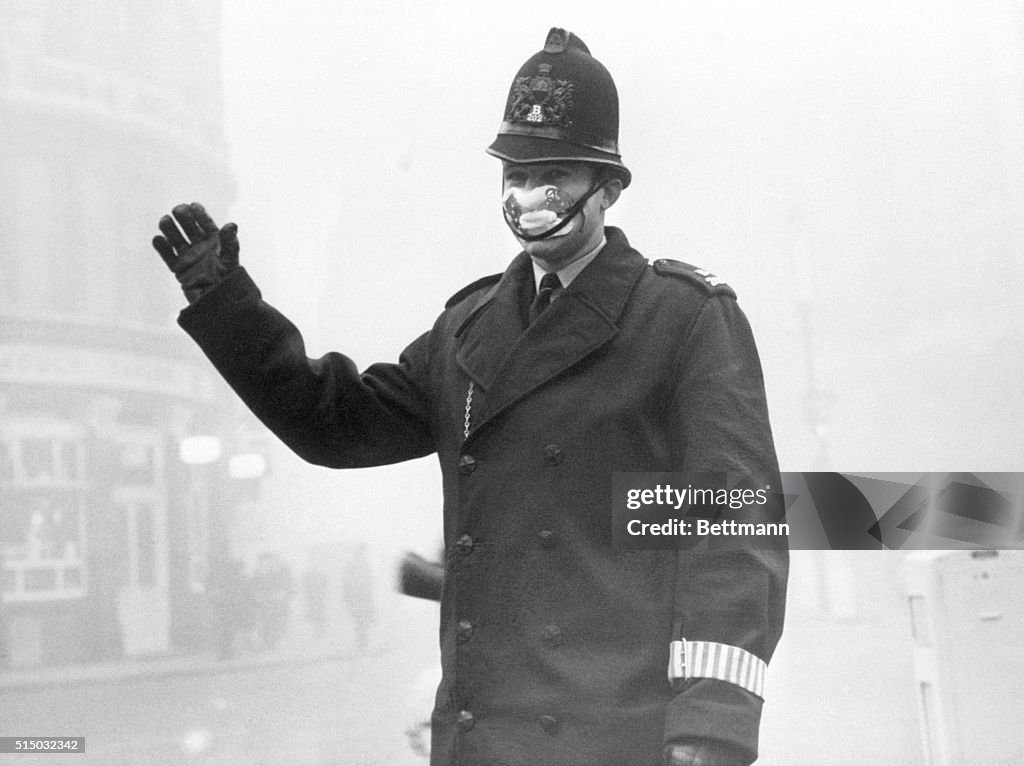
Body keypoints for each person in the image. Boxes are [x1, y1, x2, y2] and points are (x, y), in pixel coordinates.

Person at [151, 27, 787, 766]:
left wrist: (709, 732)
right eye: (514, 174)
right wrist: (226, 301)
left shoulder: (682, 320)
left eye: (553, 175)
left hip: (617, 737)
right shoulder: (468, 329)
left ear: (608, 187)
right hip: (480, 740)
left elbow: (732, 533)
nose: (528, 197)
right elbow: (334, 422)